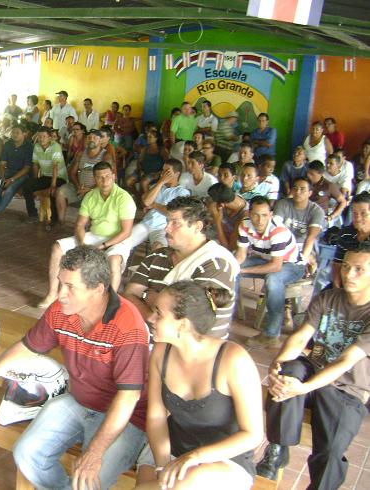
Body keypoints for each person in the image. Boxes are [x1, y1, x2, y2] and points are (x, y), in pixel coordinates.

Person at [0, 245, 150, 490]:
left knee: (86, 482)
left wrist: (95, 452)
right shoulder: (61, 310)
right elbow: (29, 347)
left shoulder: (127, 325)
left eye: (70, 287)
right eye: (60, 283)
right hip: (79, 402)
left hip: (125, 417)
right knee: (26, 453)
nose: (60, 294)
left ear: (98, 289)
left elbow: (129, 397)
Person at [255, 242, 370, 488]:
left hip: (347, 387)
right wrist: (277, 365)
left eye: (359, 269)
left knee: (331, 450)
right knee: (288, 371)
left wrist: (304, 389)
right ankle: (277, 448)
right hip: (314, 368)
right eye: (346, 267)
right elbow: (300, 337)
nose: (349, 274)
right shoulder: (329, 297)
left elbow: (346, 360)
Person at [134, 281, 263, 490]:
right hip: (171, 448)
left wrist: (195, 457)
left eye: (158, 313)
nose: (150, 318)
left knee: (180, 484)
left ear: (183, 324)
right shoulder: (161, 352)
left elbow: (253, 435)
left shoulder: (232, 360)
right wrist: (163, 466)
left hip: (224, 458)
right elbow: (157, 417)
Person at [125, 196, 239, 338]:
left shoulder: (214, 265)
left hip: (191, 346)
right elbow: (129, 293)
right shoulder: (157, 256)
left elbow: (194, 320)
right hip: (153, 338)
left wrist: (149, 298)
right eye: (167, 221)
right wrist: (153, 314)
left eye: (175, 223)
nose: (166, 228)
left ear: (197, 227)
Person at [39, 162, 135, 308]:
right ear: (94, 179)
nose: (104, 180)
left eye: (107, 176)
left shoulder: (124, 198)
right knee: (57, 248)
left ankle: (109, 303)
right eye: (100, 177)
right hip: (95, 235)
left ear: (114, 176)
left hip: (117, 238)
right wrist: (82, 244)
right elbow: (79, 225)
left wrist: (103, 246)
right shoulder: (90, 196)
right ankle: (52, 294)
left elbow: (126, 231)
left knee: (113, 260)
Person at [236, 196, 305, 347]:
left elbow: (276, 267)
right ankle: (225, 312)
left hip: (292, 266)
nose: (260, 220)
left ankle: (271, 335)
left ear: (271, 215)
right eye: (255, 215)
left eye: (264, 215)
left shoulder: (277, 230)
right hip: (266, 260)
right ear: (249, 213)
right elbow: (241, 255)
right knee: (231, 269)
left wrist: (243, 269)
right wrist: (235, 267)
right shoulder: (245, 224)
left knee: (273, 279)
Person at [129, 159, 190, 250]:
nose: (163, 174)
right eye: (163, 170)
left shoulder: (182, 192)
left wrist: (154, 205)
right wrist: (161, 182)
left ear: (176, 174)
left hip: (163, 228)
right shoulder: (157, 186)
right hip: (147, 223)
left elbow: (173, 213)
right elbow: (146, 202)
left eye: (167, 171)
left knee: (159, 248)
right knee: (124, 242)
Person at [0, 124, 33, 222]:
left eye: (17, 133)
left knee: (9, 190)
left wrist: (11, 180)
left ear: (24, 134)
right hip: (8, 171)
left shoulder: (29, 146)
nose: (14, 134)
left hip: (21, 174)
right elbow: (2, 164)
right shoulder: (8, 144)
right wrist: (2, 177)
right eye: (13, 132)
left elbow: (26, 168)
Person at [273, 178, 325, 272]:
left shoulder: (317, 211)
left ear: (310, 193)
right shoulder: (282, 204)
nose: (297, 192)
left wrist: (303, 259)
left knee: (307, 263)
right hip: (282, 242)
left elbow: (310, 238)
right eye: (295, 188)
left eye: (302, 189)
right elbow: (275, 227)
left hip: (302, 245)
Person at [56, 129, 105, 224]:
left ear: (100, 140)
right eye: (89, 137)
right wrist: (78, 186)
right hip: (79, 187)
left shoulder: (105, 155)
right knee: (60, 192)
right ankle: (61, 222)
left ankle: (90, 226)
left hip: (96, 189)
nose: (92, 139)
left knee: (92, 200)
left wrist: (90, 189)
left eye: (95, 138)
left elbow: (106, 178)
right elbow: (72, 173)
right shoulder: (81, 154)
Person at [22, 127, 67, 223]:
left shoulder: (55, 146)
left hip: (59, 177)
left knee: (53, 191)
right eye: (39, 136)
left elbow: (55, 166)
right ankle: (33, 214)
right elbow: (35, 164)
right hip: (45, 177)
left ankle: (54, 219)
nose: (41, 139)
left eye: (44, 136)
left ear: (49, 138)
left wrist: (53, 185)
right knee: (27, 185)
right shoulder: (37, 146)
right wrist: (35, 180)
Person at [331, 192, 370, 288]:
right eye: (354, 213)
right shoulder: (346, 234)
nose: (358, 218)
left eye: (363, 214)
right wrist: (337, 289)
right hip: (347, 282)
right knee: (325, 296)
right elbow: (337, 264)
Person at [207, 183, 248, 251]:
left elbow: (229, 248)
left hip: (231, 249)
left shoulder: (243, 217)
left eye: (213, 202)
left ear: (221, 205)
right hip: (218, 236)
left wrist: (218, 221)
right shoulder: (229, 197)